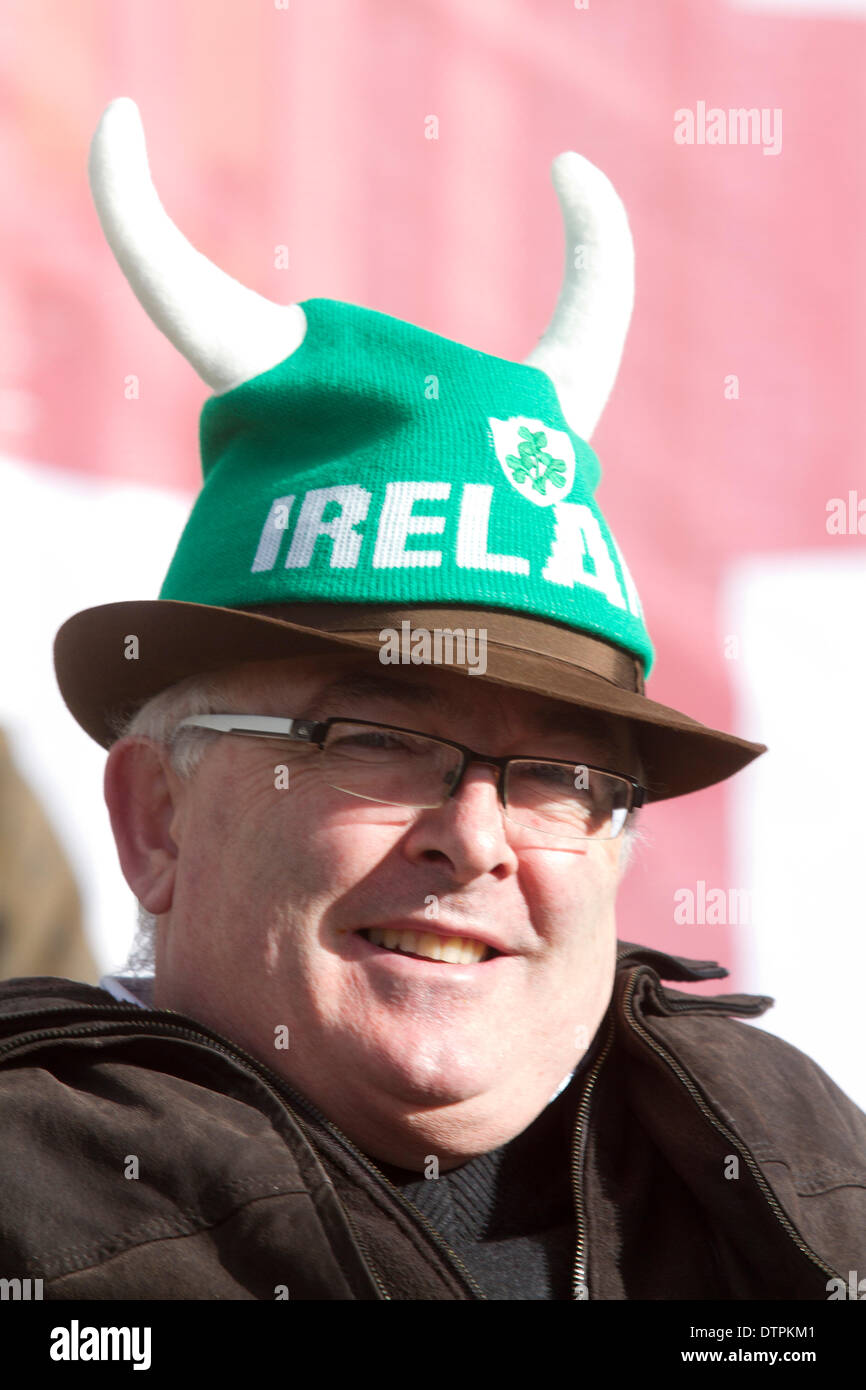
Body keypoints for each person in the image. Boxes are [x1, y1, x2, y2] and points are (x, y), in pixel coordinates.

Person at [0, 97, 862, 1302]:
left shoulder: (800, 1176)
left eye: (560, 777)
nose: (474, 837)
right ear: (157, 819)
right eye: (379, 740)